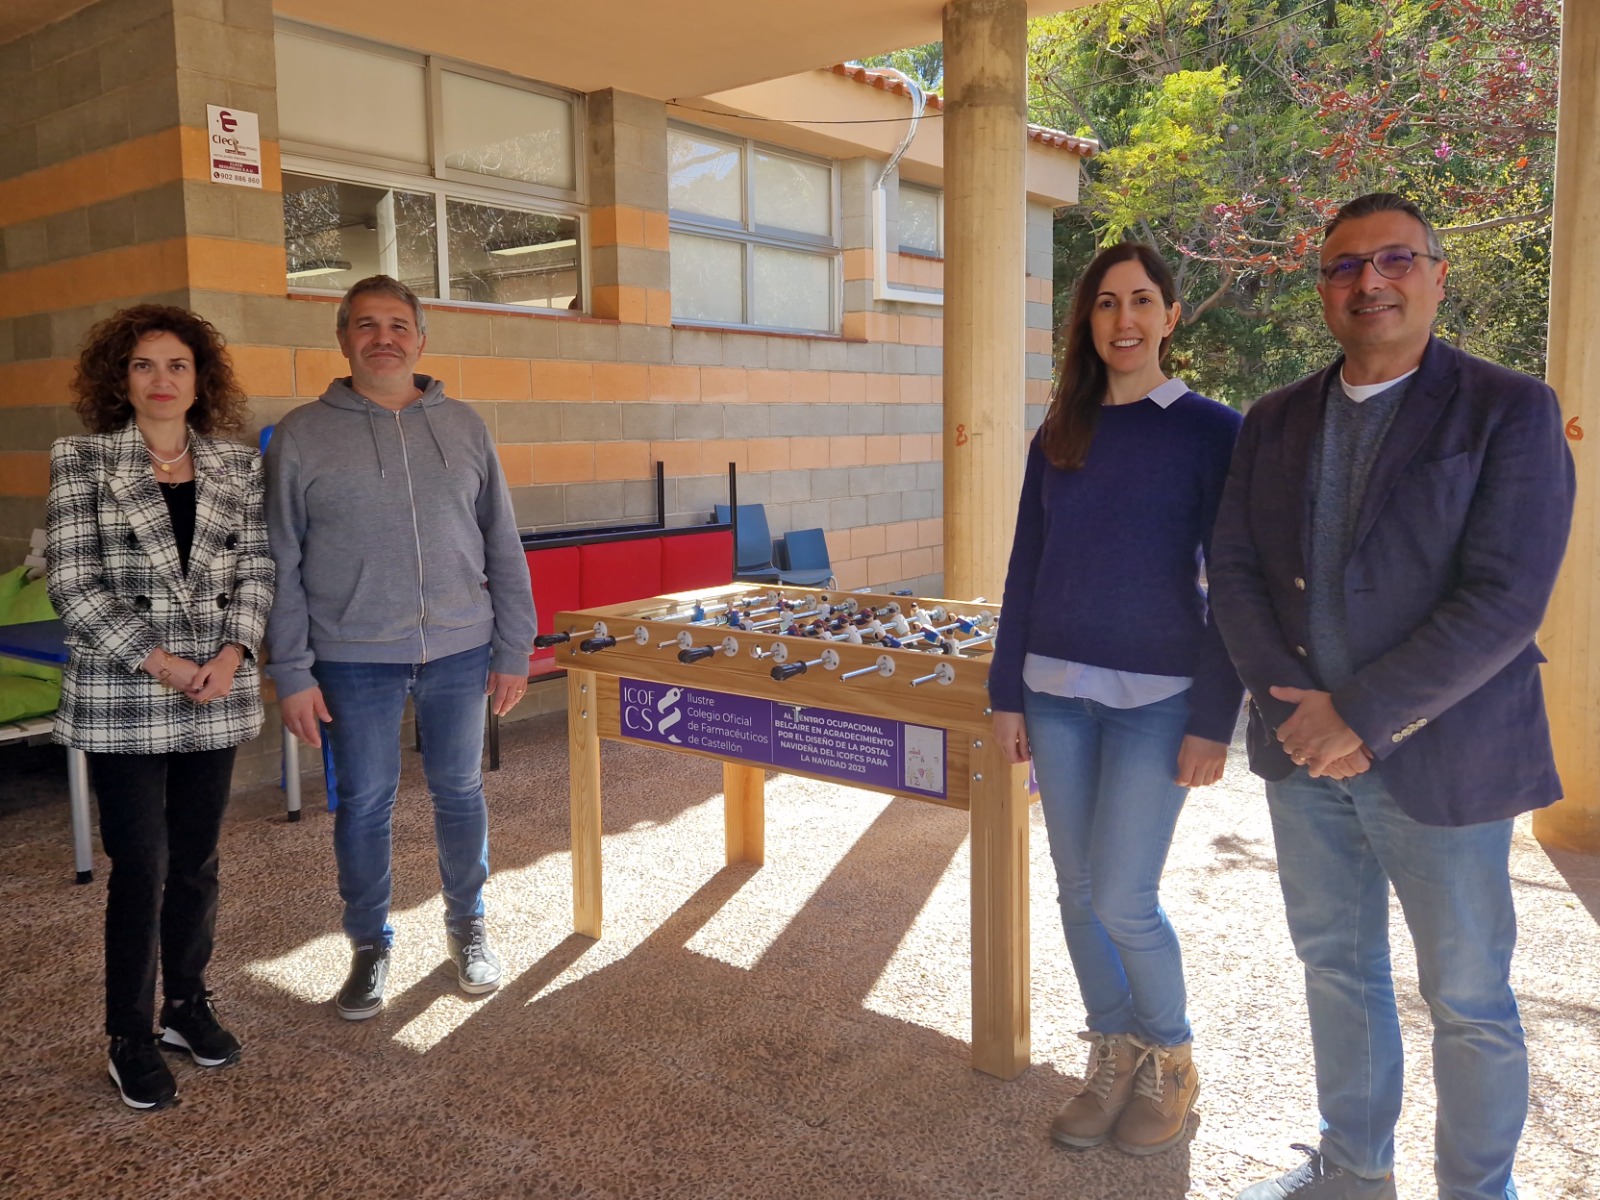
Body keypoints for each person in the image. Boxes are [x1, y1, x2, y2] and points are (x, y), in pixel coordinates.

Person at [1209, 193, 1575, 1200]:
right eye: (1342, 266)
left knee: (1466, 996)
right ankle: (1354, 1173)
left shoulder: (1507, 409)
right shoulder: (1275, 418)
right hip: (1298, 755)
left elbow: (1505, 599)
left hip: (1442, 757)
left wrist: (1358, 715)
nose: (1368, 281)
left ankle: (1475, 1190)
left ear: (1435, 275)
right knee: (1336, 968)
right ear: (1322, 288)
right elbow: (1232, 566)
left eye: (1394, 260)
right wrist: (1293, 713)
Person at [990, 242, 1244, 1156]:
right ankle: (1113, 1049)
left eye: (1141, 301)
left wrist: (1215, 717)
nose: (1123, 320)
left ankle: (1170, 1057)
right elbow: (1026, 567)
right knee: (1075, 890)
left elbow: (1239, 582)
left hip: (1158, 702)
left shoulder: (1213, 431)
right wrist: (1006, 693)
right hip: (1053, 695)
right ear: (1086, 321)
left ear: (1171, 316)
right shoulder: (1061, 427)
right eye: (1105, 303)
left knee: (1126, 896)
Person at [263, 275, 535, 1020]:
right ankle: (368, 945)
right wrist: (290, 669)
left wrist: (515, 646)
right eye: (365, 325)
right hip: (351, 658)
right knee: (364, 803)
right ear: (343, 338)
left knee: (460, 792)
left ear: (420, 337)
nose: (382, 337)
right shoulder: (301, 434)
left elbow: (502, 544)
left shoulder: (468, 426)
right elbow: (277, 561)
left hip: (460, 650)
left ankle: (468, 928)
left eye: (397, 324)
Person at [47, 306, 273, 1110]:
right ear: (121, 379)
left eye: (177, 365)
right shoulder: (82, 459)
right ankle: (128, 1036)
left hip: (213, 692)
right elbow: (74, 584)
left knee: (199, 861)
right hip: (127, 695)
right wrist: (168, 662)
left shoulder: (235, 467)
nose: (162, 380)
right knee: (141, 867)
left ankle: (185, 1003)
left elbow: (257, 570)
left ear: (199, 379)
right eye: (145, 365)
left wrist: (232, 651)